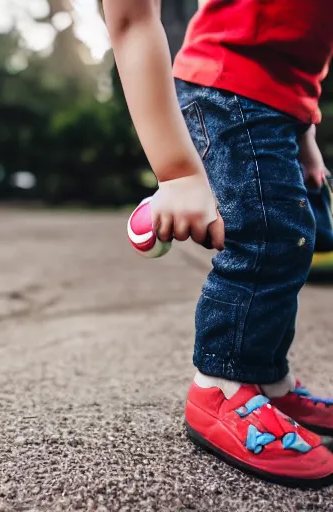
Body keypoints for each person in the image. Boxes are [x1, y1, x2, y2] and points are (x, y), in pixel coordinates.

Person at [100, 0, 333, 487]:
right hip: (229, 85)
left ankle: (266, 378)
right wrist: (178, 173)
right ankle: (221, 387)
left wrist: (305, 131)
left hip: (282, 100)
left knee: (292, 240)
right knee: (263, 237)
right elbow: (130, 18)